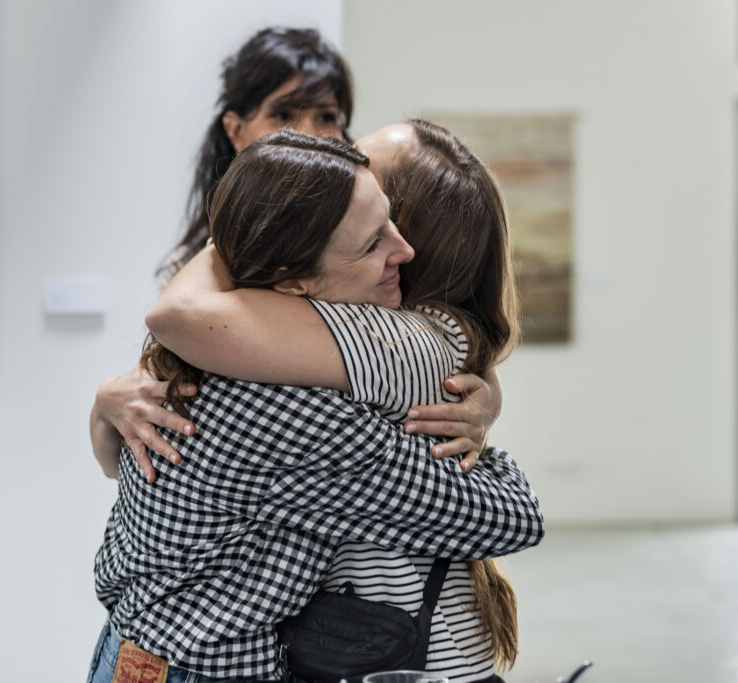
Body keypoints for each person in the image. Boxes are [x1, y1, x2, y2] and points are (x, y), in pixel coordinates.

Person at [87, 132, 543, 682]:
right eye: (371, 236)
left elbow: (122, 459)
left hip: (136, 651)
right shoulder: (292, 399)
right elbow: (512, 518)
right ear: (295, 272)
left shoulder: (229, 343)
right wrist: (487, 442)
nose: (400, 249)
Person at [90, 27, 503, 484]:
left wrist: (485, 394)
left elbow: (429, 341)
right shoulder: (195, 271)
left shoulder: (371, 269)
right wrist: (106, 404)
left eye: (326, 116)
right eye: (282, 114)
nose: (306, 133)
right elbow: (140, 434)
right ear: (235, 130)